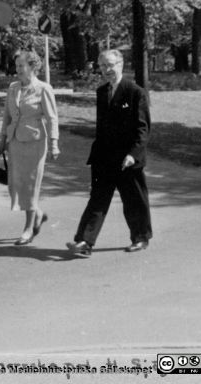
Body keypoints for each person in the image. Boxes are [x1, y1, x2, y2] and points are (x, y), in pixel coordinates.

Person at [67, 49, 152, 254]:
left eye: (111, 65)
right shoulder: (101, 92)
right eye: (103, 66)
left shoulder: (135, 92)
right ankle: (84, 242)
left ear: (121, 64)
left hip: (128, 158)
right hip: (104, 158)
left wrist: (133, 155)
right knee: (97, 199)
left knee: (133, 199)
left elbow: (143, 129)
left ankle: (140, 238)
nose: (107, 70)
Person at [0, 50, 60, 245]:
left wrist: (54, 143)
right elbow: (7, 115)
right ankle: (38, 214)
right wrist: (2, 140)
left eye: (21, 66)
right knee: (16, 184)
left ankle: (28, 228)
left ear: (33, 67)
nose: (17, 70)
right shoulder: (13, 88)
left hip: (35, 143)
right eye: (16, 66)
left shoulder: (43, 89)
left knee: (30, 186)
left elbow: (52, 118)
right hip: (15, 141)